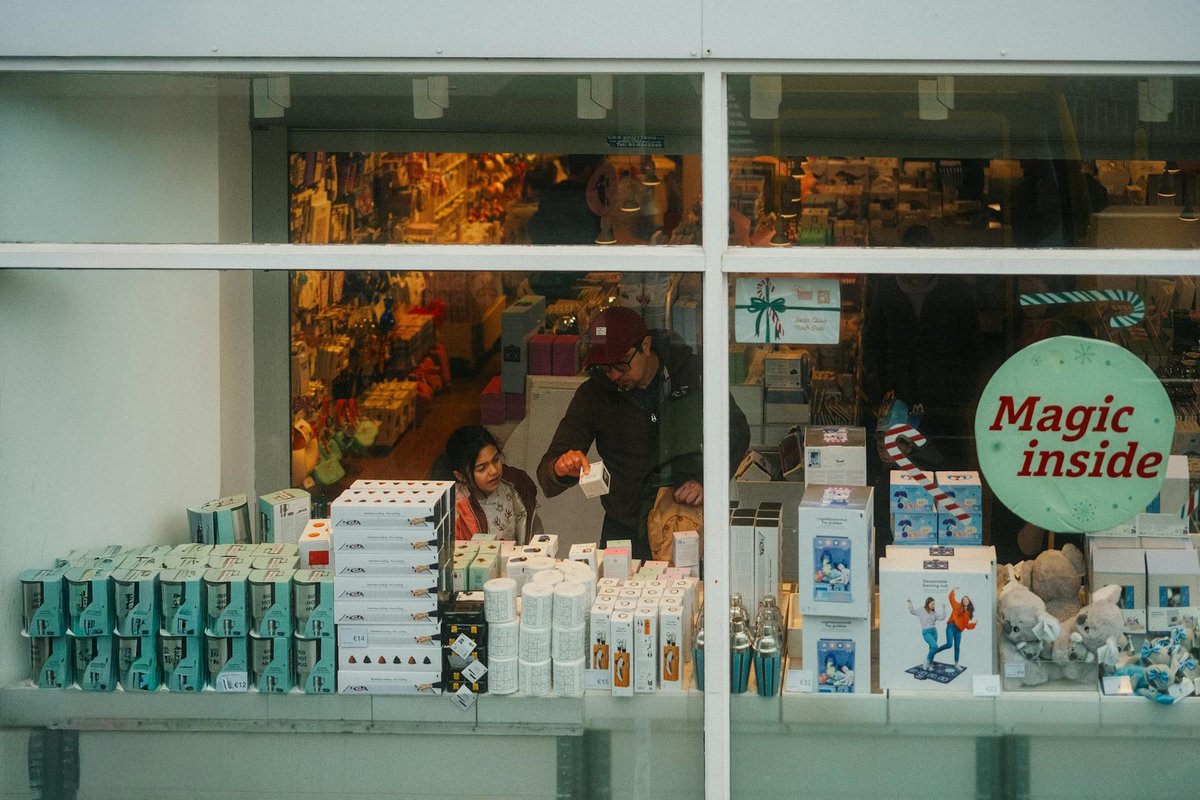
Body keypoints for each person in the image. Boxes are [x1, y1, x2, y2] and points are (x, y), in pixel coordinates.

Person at [537, 305, 750, 560]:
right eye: (605, 368)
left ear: (646, 346)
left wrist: (707, 479)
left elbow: (736, 431)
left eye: (621, 364)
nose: (614, 375)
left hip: (686, 521)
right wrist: (560, 468)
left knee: (695, 597)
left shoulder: (692, 375)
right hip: (625, 526)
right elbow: (548, 469)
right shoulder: (593, 395)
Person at [440, 425, 542, 543]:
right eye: (482, 468)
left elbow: (535, 533)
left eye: (496, 460)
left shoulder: (515, 485)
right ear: (461, 476)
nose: (493, 471)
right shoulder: (455, 508)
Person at [935, 588, 976, 667]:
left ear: (969, 602)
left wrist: (974, 624)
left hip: (958, 631)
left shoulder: (968, 613)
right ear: (962, 601)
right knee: (949, 644)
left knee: (957, 646)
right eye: (963, 599)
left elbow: (966, 625)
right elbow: (951, 598)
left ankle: (956, 664)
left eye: (966, 599)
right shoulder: (957, 605)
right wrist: (953, 590)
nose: (965, 601)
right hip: (951, 627)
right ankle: (936, 650)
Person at [907, 596, 946, 670]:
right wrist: (910, 603)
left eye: (934, 604)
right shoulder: (921, 610)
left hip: (934, 631)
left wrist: (944, 608)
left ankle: (929, 664)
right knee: (935, 647)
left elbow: (942, 617)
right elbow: (912, 611)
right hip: (926, 632)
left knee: (932, 648)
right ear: (927, 603)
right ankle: (926, 662)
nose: (933, 606)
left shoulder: (934, 613)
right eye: (932, 604)